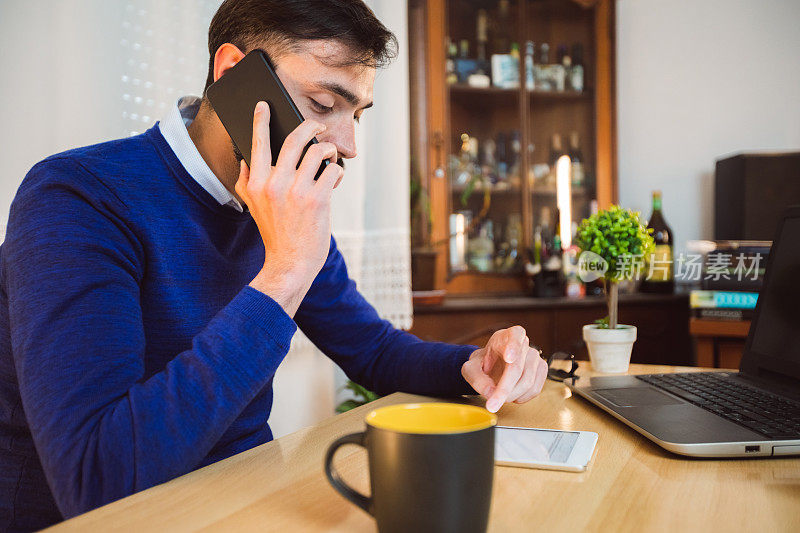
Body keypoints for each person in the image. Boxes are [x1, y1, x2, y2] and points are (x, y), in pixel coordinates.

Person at [0, 0, 548, 529]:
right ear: (235, 72)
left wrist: (476, 364)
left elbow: (373, 349)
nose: (349, 145)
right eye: (322, 104)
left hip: (243, 504)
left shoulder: (284, 206)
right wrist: (285, 271)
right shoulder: (77, 198)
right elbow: (98, 480)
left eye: (357, 114)